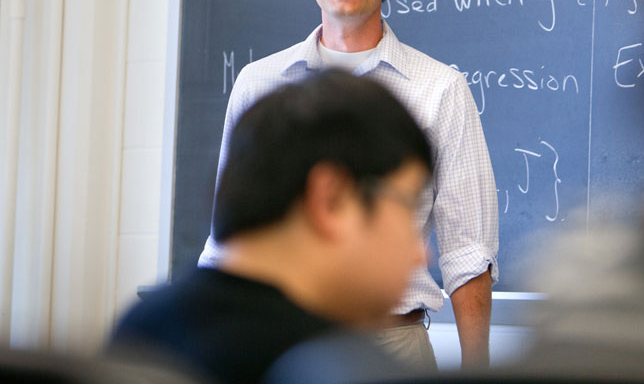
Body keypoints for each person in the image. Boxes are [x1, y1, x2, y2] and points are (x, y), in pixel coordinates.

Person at [199, 0, 499, 369]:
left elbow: (468, 249)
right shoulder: (258, 83)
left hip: (392, 348)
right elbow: (228, 237)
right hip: (275, 347)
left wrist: (478, 372)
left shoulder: (441, 89)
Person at [110, 70, 433, 384]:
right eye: (410, 204)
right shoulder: (341, 368)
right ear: (331, 200)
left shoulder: (140, 327)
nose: (422, 255)